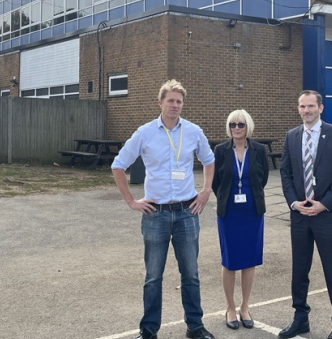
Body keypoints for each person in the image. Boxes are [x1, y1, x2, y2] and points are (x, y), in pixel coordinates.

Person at [111, 79, 216, 339]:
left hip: (186, 212)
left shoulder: (193, 131)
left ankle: (195, 326)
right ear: (160, 103)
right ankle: (148, 330)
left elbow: (209, 160)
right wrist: (130, 201)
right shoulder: (145, 133)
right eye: (170, 100)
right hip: (155, 213)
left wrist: (205, 191)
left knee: (190, 274)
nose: (175, 105)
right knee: (153, 276)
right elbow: (118, 165)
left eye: (179, 101)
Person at [278, 90, 332, 339]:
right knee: (299, 269)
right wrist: (293, 202)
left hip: (326, 215)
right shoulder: (291, 136)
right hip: (299, 215)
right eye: (302, 106)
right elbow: (285, 173)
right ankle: (300, 319)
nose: (306, 111)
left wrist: (324, 204)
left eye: (310, 106)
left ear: (320, 108)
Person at [211, 110, 270, 331]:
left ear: (248, 127)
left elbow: (262, 178)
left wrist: (250, 197)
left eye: (241, 125)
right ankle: (230, 307)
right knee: (230, 260)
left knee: (250, 259)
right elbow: (216, 181)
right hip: (229, 213)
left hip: (252, 212)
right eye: (233, 124)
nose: (237, 128)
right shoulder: (220, 150)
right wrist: (227, 197)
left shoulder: (259, 150)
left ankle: (245, 306)